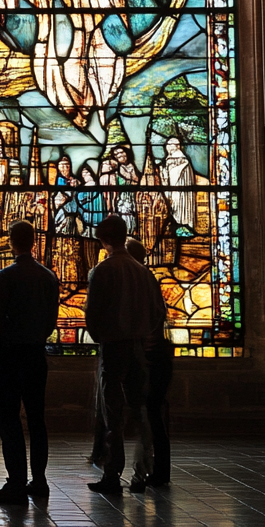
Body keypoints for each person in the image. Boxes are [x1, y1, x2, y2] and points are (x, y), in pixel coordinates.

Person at [85, 215, 165, 495]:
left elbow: (92, 315)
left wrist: (103, 338)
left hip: (114, 345)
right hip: (138, 346)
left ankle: (112, 474)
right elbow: (159, 313)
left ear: (103, 240)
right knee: (141, 411)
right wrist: (141, 333)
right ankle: (141, 474)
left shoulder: (102, 271)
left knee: (112, 412)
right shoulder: (143, 271)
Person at [0, 220, 59, 504]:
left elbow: (0, 317)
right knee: (36, 418)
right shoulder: (48, 277)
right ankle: (40, 479)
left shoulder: (7, 275)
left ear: (11, 241)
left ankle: (16, 480)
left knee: (9, 418)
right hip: (36, 353)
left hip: (10, 354)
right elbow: (51, 320)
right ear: (33, 241)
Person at [125, 238, 174, 486]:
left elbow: (152, 319)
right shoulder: (147, 278)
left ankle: (154, 471)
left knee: (151, 415)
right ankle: (155, 470)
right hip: (156, 356)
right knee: (152, 415)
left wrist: (143, 351)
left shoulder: (142, 280)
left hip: (153, 358)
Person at [159, 136, 197, 237]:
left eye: (170, 145)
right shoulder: (171, 158)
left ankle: (181, 226)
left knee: (179, 206)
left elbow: (175, 173)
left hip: (180, 188)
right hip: (175, 188)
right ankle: (177, 225)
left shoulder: (181, 158)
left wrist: (167, 171)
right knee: (175, 206)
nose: (168, 147)